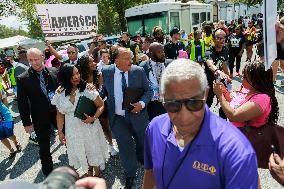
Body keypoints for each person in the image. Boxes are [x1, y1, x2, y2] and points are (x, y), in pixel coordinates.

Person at [142, 59, 258, 189]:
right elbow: (150, 172)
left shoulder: (236, 151)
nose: (184, 116)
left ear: (206, 93)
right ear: (162, 98)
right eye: (173, 104)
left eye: (193, 103)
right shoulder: (155, 128)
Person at [100, 47, 152, 188]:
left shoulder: (138, 71)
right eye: (127, 58)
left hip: (137, 115)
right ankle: (130, 173)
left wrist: (141, 104)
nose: (131, 61)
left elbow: (149, 91)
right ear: (116, 60)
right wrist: (94, 94)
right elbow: (104, 91)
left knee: (141, 141)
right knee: (125, 146)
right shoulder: (107, 71)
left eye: (131, 58)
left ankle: (142, 158)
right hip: (117, 118)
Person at [52, 64, 109, 177]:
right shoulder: (60, 93)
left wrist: (94, 117)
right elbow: (59, 114)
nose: (76, 77)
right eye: (72, 75)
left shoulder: (87, 89)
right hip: (72, 129)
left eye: (77, 73)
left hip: (89, 126)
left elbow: (101, 105)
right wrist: (60, 131)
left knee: (93, 150)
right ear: (64, 77)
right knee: (82, 152)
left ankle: (97, 176)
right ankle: (88, 172)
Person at [17, 48, 58, 176]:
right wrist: (27, 123)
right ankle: (48, 172)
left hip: (59, 114)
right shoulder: (23, 78)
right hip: (39, 117)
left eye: (36, 59)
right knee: (44, 146)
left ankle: (75, 161)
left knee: (69, 137)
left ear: (42, 57)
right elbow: (22, 103)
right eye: (30, 60)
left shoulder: (53, 71)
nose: (34, 62)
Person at [213, 61, 278, 128]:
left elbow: (233, 116)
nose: (241, 78)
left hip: (246, 136)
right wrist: (224, 92)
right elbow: (233, 101)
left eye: (244, 76)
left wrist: (220, 96)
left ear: (254, 80)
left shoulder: (262, 99)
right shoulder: (248, 90)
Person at [77, 54, 117, 157]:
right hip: (87, 107)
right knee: (91, 130)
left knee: (105, 126)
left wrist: (94, 90)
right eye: (91, 62)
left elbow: (102, 91)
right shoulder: (80, 78)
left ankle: (111, 145)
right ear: (85, 65)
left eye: (93, 61)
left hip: (100, 104)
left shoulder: (99, 75)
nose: (94, 63)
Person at [139, 42, 166, 121]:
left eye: (163, 51)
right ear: (151, 54)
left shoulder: (169, 64)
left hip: (167, 103)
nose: (162, 54)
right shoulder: (143, 67)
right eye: (159, 52)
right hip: (151, 105)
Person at [204, 29, 230, 107]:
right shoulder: (209, 52)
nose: (222, 40)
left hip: (220, 81)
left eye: (224, 38)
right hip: (210, 82)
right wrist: (218, 71)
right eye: (219, 38)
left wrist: (227, 75)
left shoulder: (225, 49)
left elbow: (224, 63)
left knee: (224, 105)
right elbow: (210, 64)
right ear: (213, 39)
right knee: (207, 104)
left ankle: (222, 119)